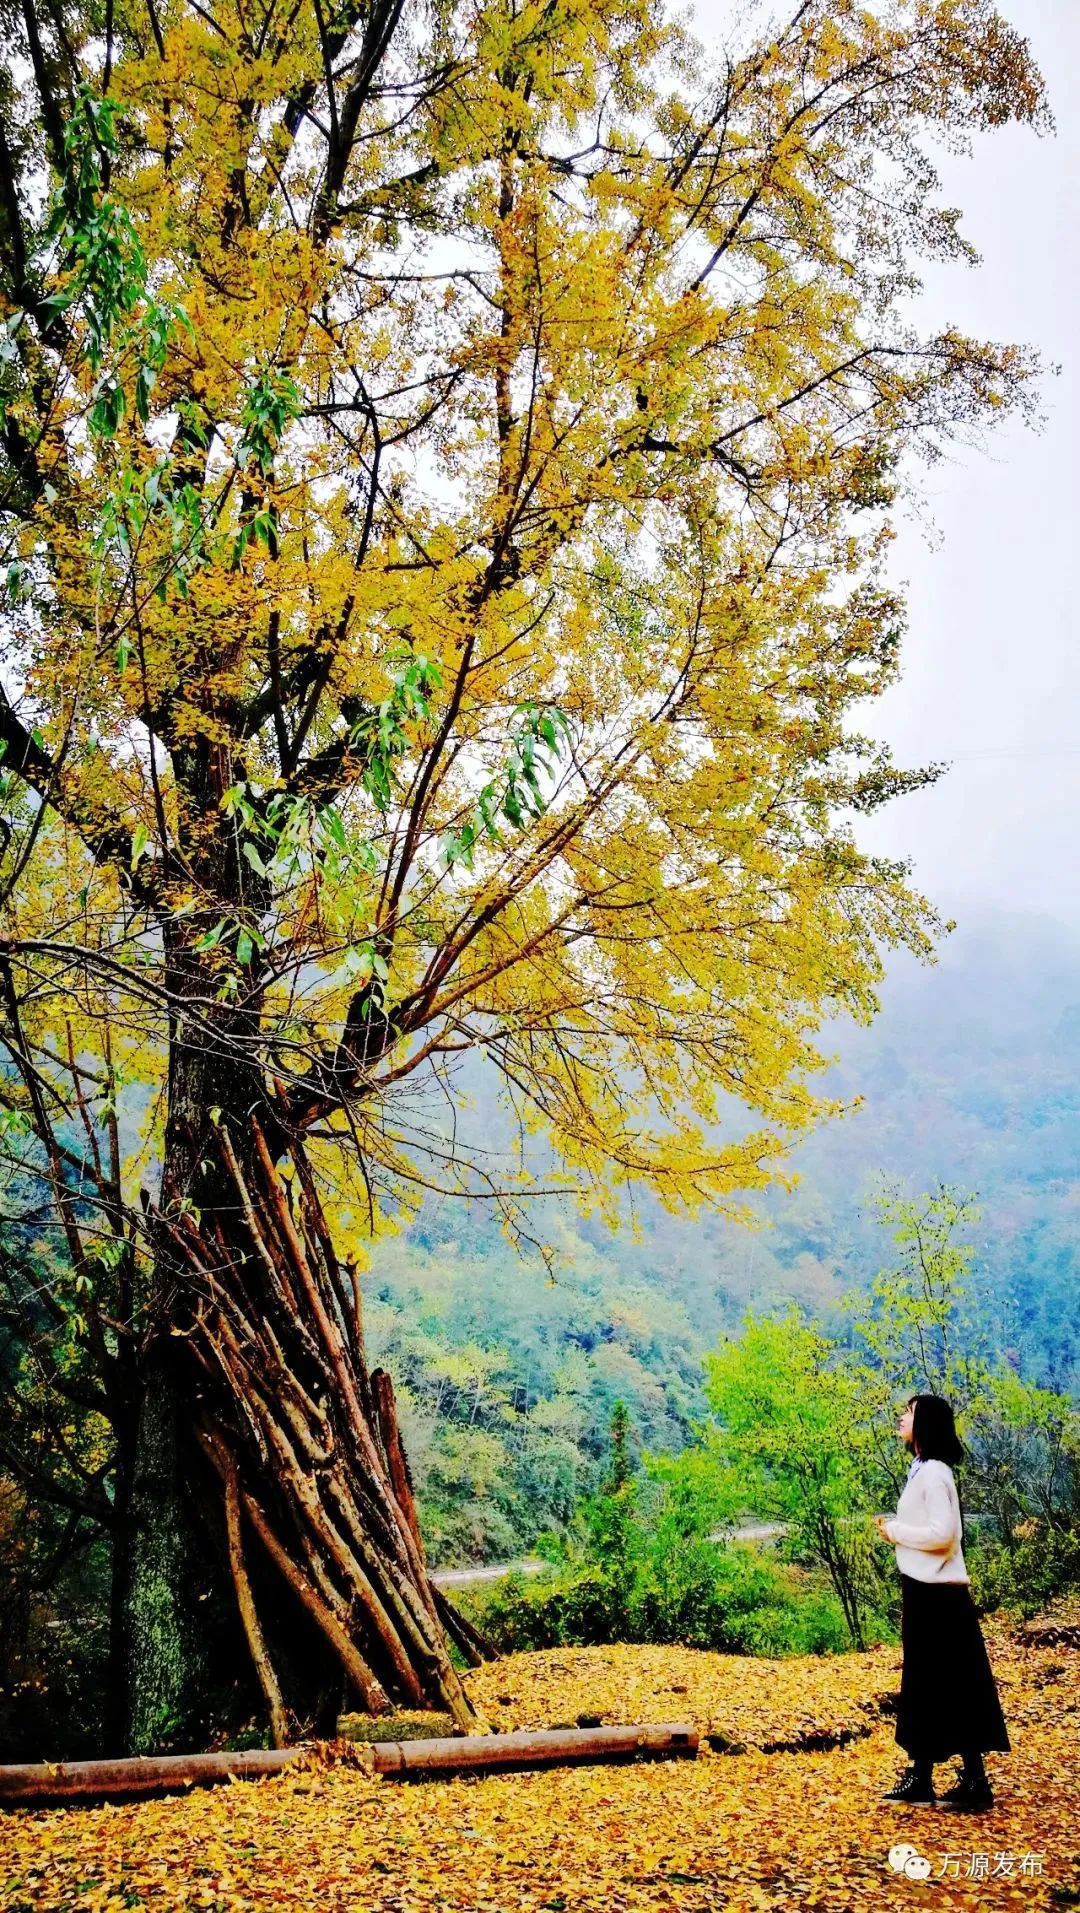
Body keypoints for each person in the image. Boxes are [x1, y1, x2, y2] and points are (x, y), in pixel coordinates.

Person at [874, 1393, 1010, 1812]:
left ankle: (969, 1780)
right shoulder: (923, 1470)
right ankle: (928, 1775)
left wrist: (895, 1531)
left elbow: (943, 1535)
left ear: (926, 1422)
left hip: (939, 1595)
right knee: (931, 1682)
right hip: (925, 1590)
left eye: (909, 1413)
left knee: (951, 1681)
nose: (901, 1418)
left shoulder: (934, 1472)